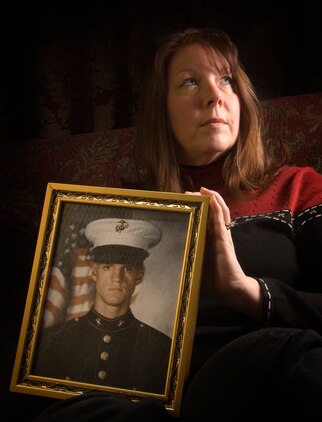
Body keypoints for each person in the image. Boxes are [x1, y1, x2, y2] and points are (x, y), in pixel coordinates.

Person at [34, 27, 322, 421]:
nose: (214, 95)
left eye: (226, 80)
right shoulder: (119, 210)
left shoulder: (299, 188)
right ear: (161, 109)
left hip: (263, 378)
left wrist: (245, 292)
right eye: (190, 81)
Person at [33, 217, 171, 394]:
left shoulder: (162, 350)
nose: (117, 278)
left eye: (127, 268)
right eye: (107, 267)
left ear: (140, 275)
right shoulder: (52, 341)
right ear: (94, 271)